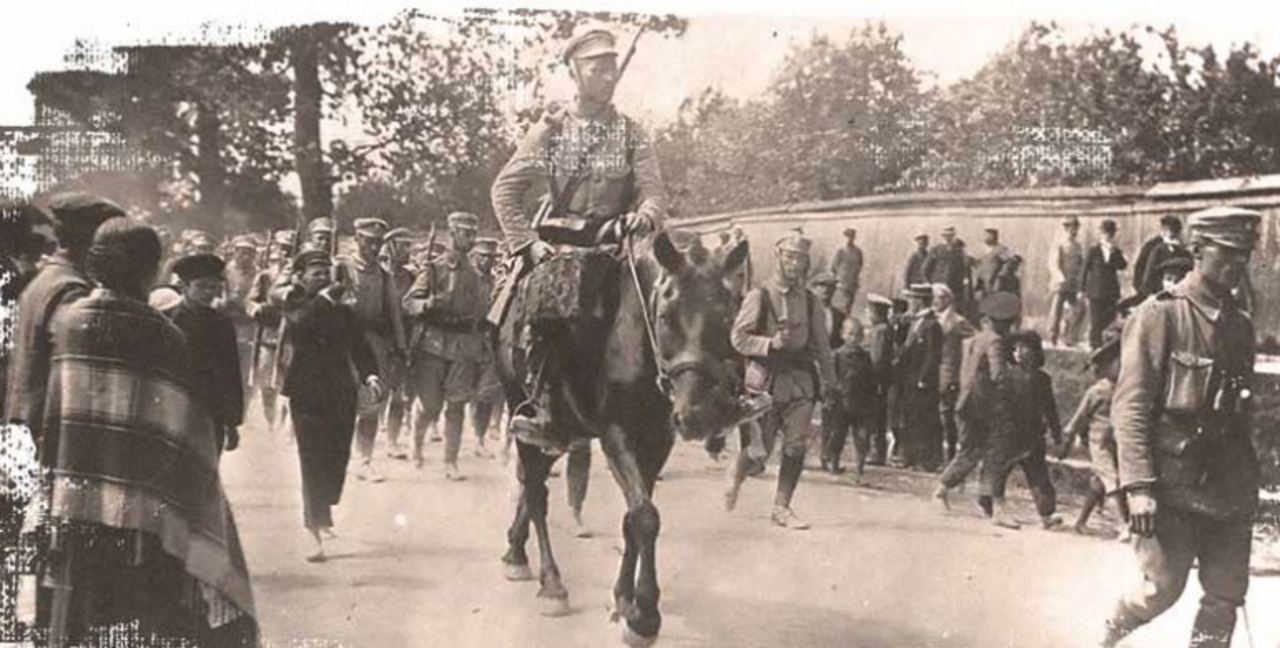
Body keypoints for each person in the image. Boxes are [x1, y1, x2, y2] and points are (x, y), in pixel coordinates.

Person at [24, 217, 258, 646]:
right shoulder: (162, 334)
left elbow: (55, 421)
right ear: (150, 271)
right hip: (144, 524)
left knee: (83, 617)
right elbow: (184, 439)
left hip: (75, 509)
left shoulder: (71, 325)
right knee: (143, 618)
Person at [489, 21, 666, 453]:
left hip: (615, 246)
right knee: (552, 308)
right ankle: (546, 410)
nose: (607, 76)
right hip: (561, 249)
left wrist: (646, 214)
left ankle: (686, 398)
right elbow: (504, 190)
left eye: (611, 67)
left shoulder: (631, 133)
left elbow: (653, 192)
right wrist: (527, 243)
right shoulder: (551, 131)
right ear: (574, 72)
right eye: (595, 68)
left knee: (675, 300)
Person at [1100, 206, 1262, 648]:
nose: (1237, 264)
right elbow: (1131, 406)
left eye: (1244, 255)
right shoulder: (1160, 315)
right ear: (1197, 250)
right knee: (1161, 590)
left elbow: (1242, 411)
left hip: (1229, 485)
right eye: (1227, 253)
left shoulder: (1240, 325)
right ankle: (1107, 638)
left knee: (1225, 596)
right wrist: (1138, 487)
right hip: (1172, 484)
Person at [273, 249, 383, 562]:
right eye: (316, 274)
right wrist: (323, 299)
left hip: (340, 392)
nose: (323, 279)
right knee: (312, 460)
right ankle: (313, 530)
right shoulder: (294, 303)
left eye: (326, 273)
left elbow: (358, 345)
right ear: (300, 278)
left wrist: (370, 375)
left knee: (337, 458)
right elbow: (302, 324)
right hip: (306, 394)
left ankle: (323, 510)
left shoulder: (341, 310)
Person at [725, 233, 836, 530]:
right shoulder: (759, 295)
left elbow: (822, 346)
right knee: (758, 455)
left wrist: (830, 382)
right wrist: (769, 344)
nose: (794, 264)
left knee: (795, 446)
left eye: (800, 258)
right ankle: (736, 474)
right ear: (778, 258)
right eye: (789, 257)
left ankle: (781, 507)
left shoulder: (810, 301)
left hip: (800, 383)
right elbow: (738, 338)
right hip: (765, 383)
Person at [402, 212, 488, 479]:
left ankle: (450, 461)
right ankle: (416, 443)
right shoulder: (433, 268)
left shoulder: (475, 275)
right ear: (452, 234)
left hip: (463, 346)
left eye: (473, 234)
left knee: (457, 404)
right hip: (433, 344)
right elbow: (408, 303)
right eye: (466, 233)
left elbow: (479, 313)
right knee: (430, 406)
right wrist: (427, 304)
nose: (471, 239)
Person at [932, 292, 1021, 529]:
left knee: (971, 451)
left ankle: (974, 498)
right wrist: (1012, 391)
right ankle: (992, 506)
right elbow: (998, 375)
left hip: (967, 403)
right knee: (993, 454)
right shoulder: (995, 342)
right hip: (985, 406)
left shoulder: (974, 339)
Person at [340, 217, 408, 483]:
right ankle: (338, 455)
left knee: (370, 403)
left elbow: (394, 314)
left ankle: (364, 460)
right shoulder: (341, 268)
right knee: (339, 402)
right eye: (368, 241)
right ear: (357, 239)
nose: (373, 247)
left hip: (374, 344)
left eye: (378, 242)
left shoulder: (384, 275)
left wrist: (400, 347)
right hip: (342, 344)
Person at [164, 253, 245, 455]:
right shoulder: (166, 321)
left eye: (214, 286)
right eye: (201, 286)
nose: (209, 292)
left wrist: (231, 423)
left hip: (210, 411)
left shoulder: (222, 324)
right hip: (172, 409)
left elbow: (231, 373)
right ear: (183, 287)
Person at [990, 331, 1062, 529]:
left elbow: (1050, 409)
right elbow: (999, 405)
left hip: (1034, 434)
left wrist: (1057, 435)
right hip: (1009, 433)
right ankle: (998, 510)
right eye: (1015, 349)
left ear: (1035, 351)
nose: (1018, 352)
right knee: (999, 470)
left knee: (1039, 474)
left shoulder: (1043, 379)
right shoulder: (1006, 376)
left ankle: (1046, 513)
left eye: (1024, 348)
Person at [1066, 334, 1129, 539]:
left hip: (1116, 442)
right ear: (1106, 366)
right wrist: (1068, 443)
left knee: (1099, 481)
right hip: (1099, 443)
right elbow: (1078, 419)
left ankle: (1080, 522)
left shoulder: (1125, 390)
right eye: (1118, 363)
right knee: (1112, 481)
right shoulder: (1097, 391)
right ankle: (1122, 525)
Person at [245, 230, 296, 433]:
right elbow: (251, 301)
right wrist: (258, 309)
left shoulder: (298, 275)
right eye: (281, 248)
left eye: (288, 249)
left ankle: (284, 426)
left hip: (292, 337)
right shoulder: (265, 276)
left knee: (288, 384)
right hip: (269, 335)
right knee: (266, 383)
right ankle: (270, 422)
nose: (284, 253)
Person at [892, 284, 943, 471]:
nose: (910, 303)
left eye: (912, 299)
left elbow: (932, 354)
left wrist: (924, 377)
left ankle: (925, 460)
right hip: (909, 378)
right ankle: (909, 457)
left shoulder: (932, 325)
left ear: (920, 301)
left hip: (921, 381)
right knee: (910, 417)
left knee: (922, 419)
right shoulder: (914, 322)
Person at [820, 318, 877, 479]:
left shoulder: (865, 357)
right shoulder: (836, 355)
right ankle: (834, 463)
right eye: (850, 334)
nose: (854, 338)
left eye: (858, 335)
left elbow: (870, 379)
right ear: (842, 334)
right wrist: (829, 397)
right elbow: (828, 379)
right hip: (840, 403)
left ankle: (860, 468)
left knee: (862, 437)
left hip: (861, 404)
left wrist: (872, 399)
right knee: (838, 435)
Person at [381, 226, 417, 460]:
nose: (408, 251)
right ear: (390, 247)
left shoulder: (410, 277)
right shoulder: (378, 274)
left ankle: (392, 441)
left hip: (402, 339)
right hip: (378, 338)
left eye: (409, 246)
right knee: (373, 392)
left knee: (398, 394)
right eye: (403, 246)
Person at [470, 236, 505, 458]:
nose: (488, 261)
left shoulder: (498, 282)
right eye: (483, 256)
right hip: (463, 338)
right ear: (474, 256)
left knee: (486, 392)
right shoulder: (465, 279)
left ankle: (478, 439)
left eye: (492, 257)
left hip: (487, 341)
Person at [934, 283, 974, 463]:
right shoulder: (934, 318)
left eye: (939, 298)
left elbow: (974, 338)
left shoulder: (957, 321)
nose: (936, 301)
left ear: (948, 299)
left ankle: (952, 454)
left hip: (949, 372)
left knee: (948, 415)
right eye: (934, 298)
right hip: (934, 371)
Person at [1080, 218, 1128, 349]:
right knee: (1096, 319)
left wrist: (1116, 253)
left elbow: (1123, 266)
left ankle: (1107, 344)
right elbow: (1085, 270)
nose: (1108, 236)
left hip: (1111, 291)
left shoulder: (1116, 251)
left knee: (1109, 318)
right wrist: (1082, 289)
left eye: (1111, 234)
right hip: (1096, 291)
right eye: (1105, 233)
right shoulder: (1094, 250)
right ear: (1101, 234)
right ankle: (1094, 344)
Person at [863, 294, 895, 466]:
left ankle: (877, 452)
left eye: (869, 310)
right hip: (879, 378)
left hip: (876, 378)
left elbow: (877, 358)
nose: (867, 313)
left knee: (875, 416)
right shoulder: (881, 329)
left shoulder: (881, 331)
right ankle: (875, 451)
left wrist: (869, 376)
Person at [1047, 215, 1086, 347]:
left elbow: (1080, 264)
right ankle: (1052, 337)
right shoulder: (1059, 243)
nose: (1075, 230)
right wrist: (1060, 277)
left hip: (1074, 283)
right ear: (1066, 228)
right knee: (1056, 312)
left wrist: (1080, 280)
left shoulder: (1078, 245)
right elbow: (1053, 263)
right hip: (1061, 284)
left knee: (1080, 309)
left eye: (1076, 227)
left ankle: (1069, 337)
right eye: (1072, 227)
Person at [1132, 214, 1190, 298]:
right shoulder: (1152, 246)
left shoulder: (1181, 248)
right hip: (1154, 289)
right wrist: (1144, 291)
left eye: (1176, 232)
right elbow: (1140, 268)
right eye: (1171, 231)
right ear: (1164, 230)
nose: (1175, 236)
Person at [925, 226, 971, 316]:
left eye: (950, 235)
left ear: (953, 236)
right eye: (945, 235)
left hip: (955, 284)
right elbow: (926, 267)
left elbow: (964, 265)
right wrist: (929, 282)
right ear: (942, 236)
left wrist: (964, 278)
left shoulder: (958, 250)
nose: (948, 237)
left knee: (954, 307)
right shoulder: (936, 249)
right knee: (938, 306)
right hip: (939, 283)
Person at [829, 227, 864, 315]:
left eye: (851, 237)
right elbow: (833, 266)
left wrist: (855, 275)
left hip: (852, 281)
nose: (849, 239)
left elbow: (860, 265)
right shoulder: (841, 251)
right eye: (847, 237)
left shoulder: (858, 252)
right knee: (841, 304)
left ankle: (847, 317)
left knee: (849, 304)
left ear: (854, 238)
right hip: (842, 282)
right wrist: (838, 277)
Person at [808, 271, 844, 348]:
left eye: (830, 286)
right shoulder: (806, 312)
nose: (826, 289)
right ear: (814, 288)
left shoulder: (839, 316)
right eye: (822, 285)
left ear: (834, 289)